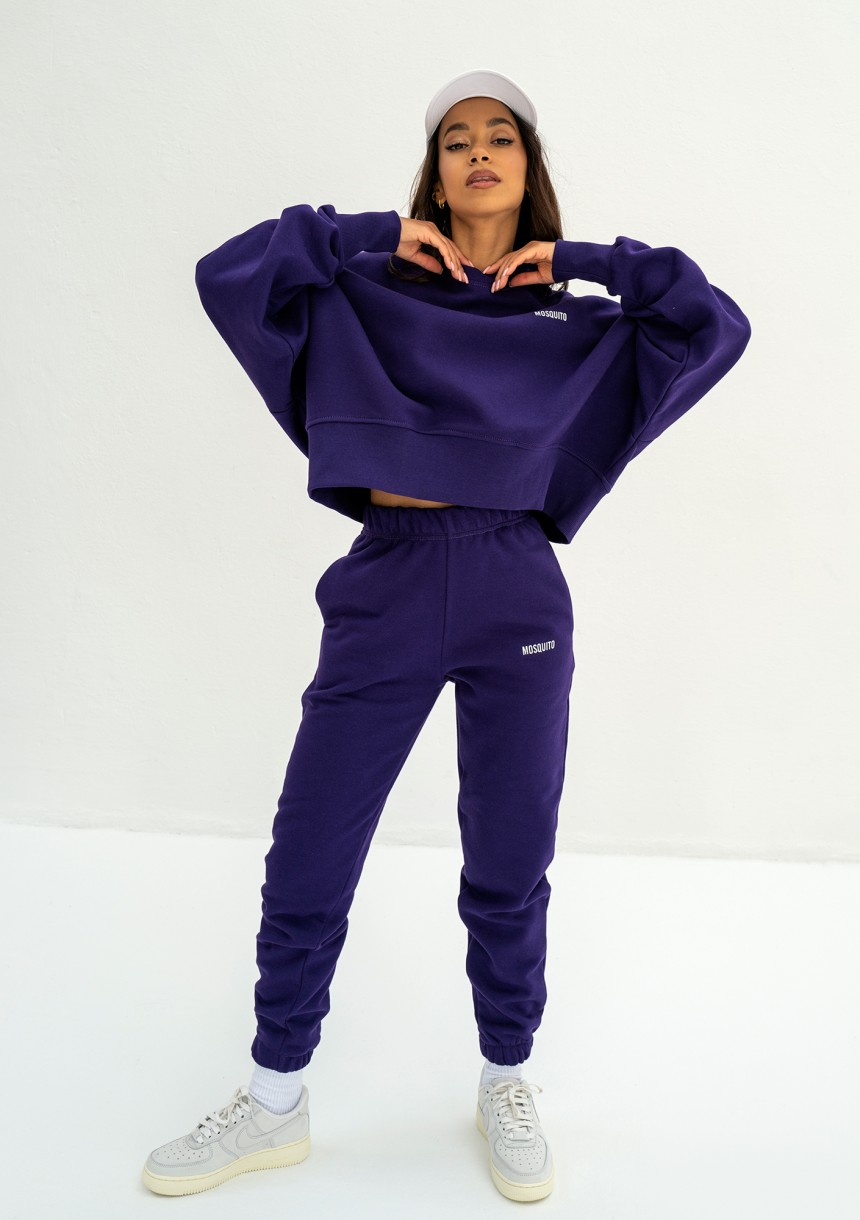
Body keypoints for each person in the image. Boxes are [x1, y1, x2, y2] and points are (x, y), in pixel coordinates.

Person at [141, 68, 752, 1201]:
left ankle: (505, 1076)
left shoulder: (574, 319)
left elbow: (712, 322)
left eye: (500, 137)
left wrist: (585, 261)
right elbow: (229, 270)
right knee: (311, 846)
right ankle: (274, 1098)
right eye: (455, 139)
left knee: (510, 855)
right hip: (387, 578)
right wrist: (374, 234)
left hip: (515, 585)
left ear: (528, 166)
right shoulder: (366, 288)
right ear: (431, 172)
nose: (477, 152)